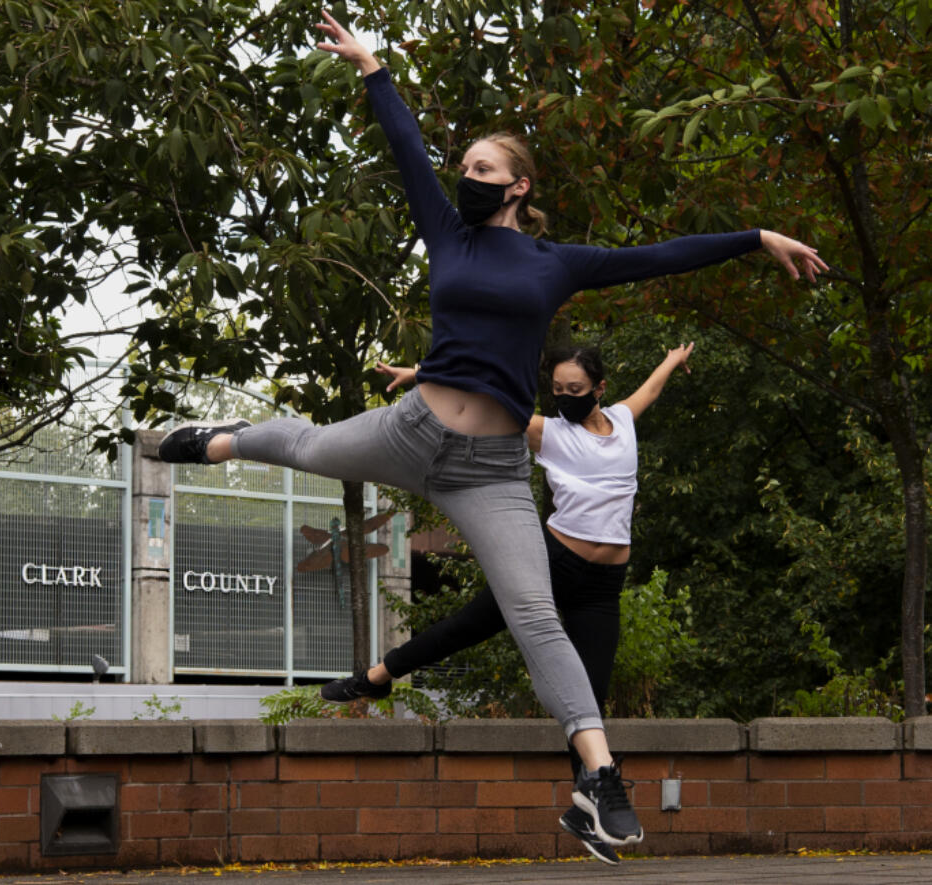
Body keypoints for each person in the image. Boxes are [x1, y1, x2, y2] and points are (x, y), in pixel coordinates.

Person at [156, 10, 826, 849]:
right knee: (302, 445)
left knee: (533, 611)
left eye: (483, 165)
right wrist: (372, 68)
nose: (465, 174)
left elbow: (659, 254)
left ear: (518, 185)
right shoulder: (449, 232)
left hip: (492, 470)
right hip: (410, 430)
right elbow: (403, 146)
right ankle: (220, 439)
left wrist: (757, 237)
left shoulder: (558, 264)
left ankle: (598, 774)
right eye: (463, 163)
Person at [321, 343, 697, 864]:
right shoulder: (548, 430)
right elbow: (483, 402)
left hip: (603, 585)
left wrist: (672, 360)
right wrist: (420, 376)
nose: (564, 398)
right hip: (548, 564)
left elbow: (649, 390)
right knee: (468, 626)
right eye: (557, 390)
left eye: (575, 390)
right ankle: (376, 677)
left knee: (587, 693)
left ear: (599, 389)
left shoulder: (622, 421)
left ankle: (584, 809)